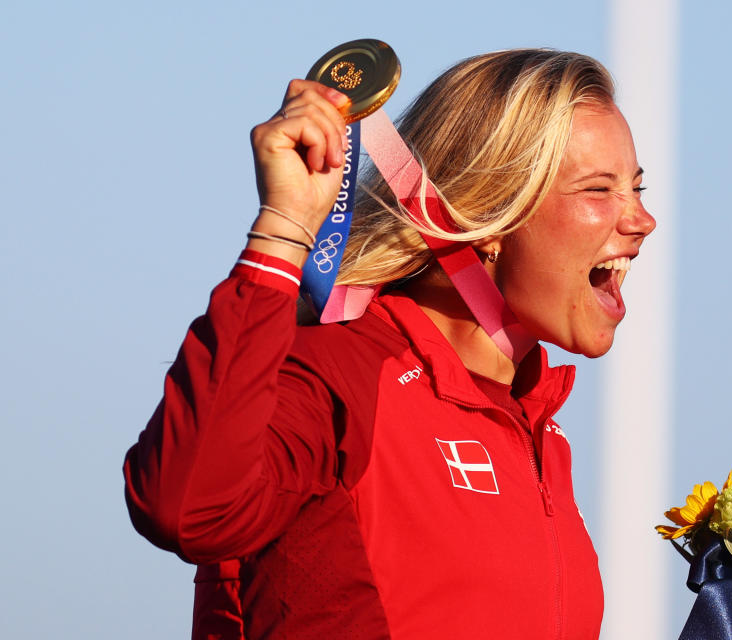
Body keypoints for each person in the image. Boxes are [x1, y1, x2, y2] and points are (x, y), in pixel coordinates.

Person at [124, 48, 656, 640]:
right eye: (599, 190)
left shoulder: (537, 427)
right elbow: (187, 508)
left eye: (636, 188)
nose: (642, 220)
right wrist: (284, 229)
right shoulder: (342, 375)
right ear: (492, 215)